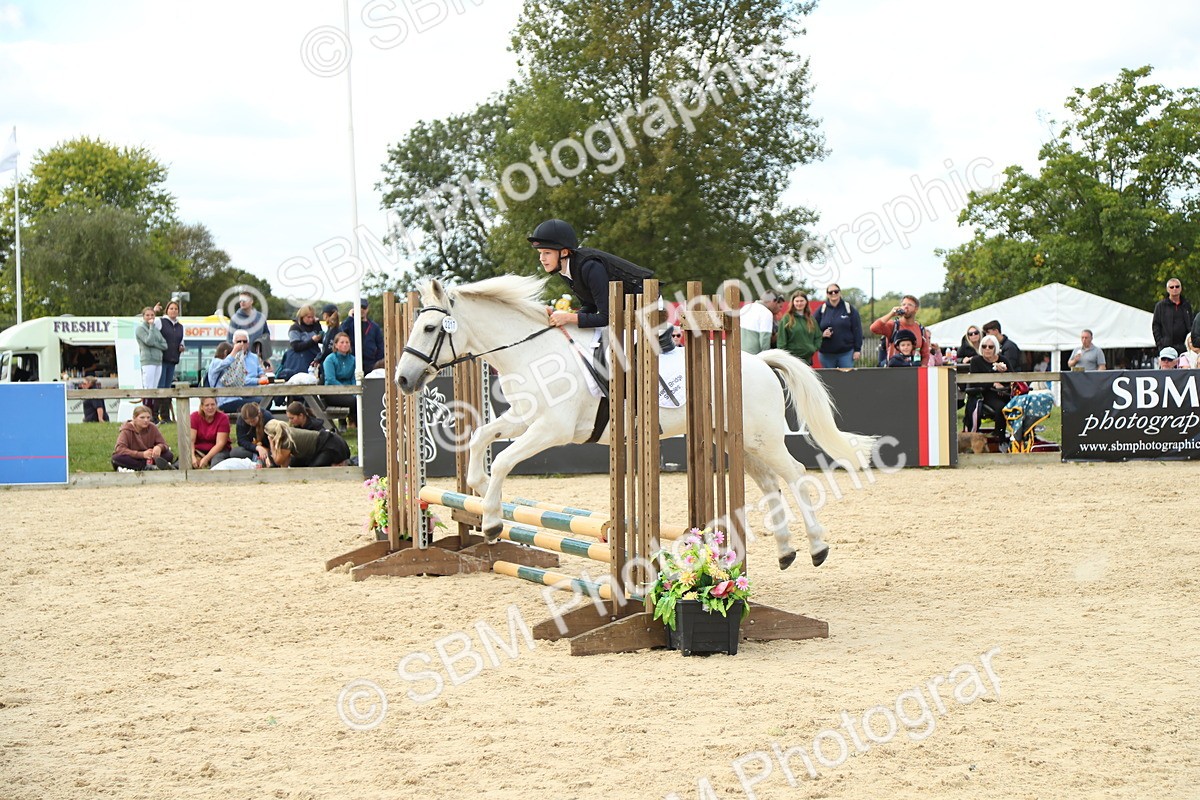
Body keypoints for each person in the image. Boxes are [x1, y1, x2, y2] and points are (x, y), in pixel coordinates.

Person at [964, 335, 1011, 435]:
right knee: (1001, 407)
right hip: (985, 393)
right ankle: (999, 436)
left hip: (1005, 393)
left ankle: (1019, 435)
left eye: (990, 347)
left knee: (1018, 405)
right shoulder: (976, 361)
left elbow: (1013, 378)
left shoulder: (1003, 360)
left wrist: (1004, 373)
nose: (987, 349)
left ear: (995, 348)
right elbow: (975, 381)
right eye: (984, 346)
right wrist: (993, 383)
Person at [209, 330, 264, 414]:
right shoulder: (216, 362)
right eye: (239, 342)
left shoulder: (254, 357)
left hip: (236, 398)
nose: (242, 344)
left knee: (260, 402)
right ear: (226, 353)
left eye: (244, 341)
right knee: (257, 404)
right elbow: (225, 363)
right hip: (225, 401)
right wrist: (235, 351)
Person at [870, 295, 930, 366]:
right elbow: (874, 328)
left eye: (909, 305)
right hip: (894, 369)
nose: (906, 307)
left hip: (914, 369)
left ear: (916, 309)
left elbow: (925, 354)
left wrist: (922, 368)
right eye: (903, 304)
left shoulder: (921, 329)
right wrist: (891, 314)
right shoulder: (894, 325)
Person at [111, 404, 176, 471]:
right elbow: (120, 449)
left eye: (148, 417)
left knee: (168, 455)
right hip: (133, 456)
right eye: (142, 418)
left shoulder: (152, 427)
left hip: (149, 456)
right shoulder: (126, 430)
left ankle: (149, 466)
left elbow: (164, 444)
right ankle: (145, 466)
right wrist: (141, 454)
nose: (146, 420)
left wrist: (159, 447)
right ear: (134, 418)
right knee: (117, 458)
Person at [264, 419, 350, 468]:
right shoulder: (287, 434)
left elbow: (278, 461)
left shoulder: (286, 440)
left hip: (332, 445)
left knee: (313, 471)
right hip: (330, 442)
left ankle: (340, 463)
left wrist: (271, 443)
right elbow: (285, 463)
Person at [813, 284, 862, 368]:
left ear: (840, 293)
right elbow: (813, 329)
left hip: (846, 353)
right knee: (829, 376)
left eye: (836, 291)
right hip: (826, 354)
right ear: (827, 294)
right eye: (830, 292)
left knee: (846, 376)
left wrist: (857, 350)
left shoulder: (849, 309)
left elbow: (857, 330)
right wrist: (822, 334)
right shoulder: (821, 310)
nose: (833, 293)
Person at [155, 299, 186, 423]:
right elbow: (148, 325)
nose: (173, 311)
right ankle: (154, 415)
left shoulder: (180, 327)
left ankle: (165, 416)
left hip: (173, 360)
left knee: (167, 388)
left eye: (176, 309)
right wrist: (154, 311)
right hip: (161, 359)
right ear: (167, 310)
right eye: (171, 308)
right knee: (160, 387)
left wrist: (182, 347)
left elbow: (181, 341)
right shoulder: (160, 322)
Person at [775, 290, 822, 364]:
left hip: (807, 360)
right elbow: (781, 341)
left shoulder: (811, 319)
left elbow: (818, 336)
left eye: (801, 301)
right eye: (797, 301)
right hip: (792, 361)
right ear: (793, 302)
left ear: (806, 302)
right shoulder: (786, 318)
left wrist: (813, 348)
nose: (799, 303)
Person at [279, 305, 324, 380]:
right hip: (300, 361)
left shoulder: (314, 326)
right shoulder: (295, 328)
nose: (311, 319)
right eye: (308, 317)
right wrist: (312, 341)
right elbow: (296, 346)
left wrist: (317, 325)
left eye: (312, 317)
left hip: (314, 358)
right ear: (302, 317)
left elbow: (322, 340)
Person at [339, 298, 385, 371]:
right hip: (352, 362)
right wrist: (350, 317)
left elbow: (380, 346)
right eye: (359, 307)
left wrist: (377, 362)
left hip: (370, 363)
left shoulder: (374, 326)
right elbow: (340, 332)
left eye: (364, 307)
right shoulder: (349, 324)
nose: (361, 310)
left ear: (367, 309)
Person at [322, 331, 357, 426]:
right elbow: (330, 379)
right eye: (342, 342)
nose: (345, 345)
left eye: (347, 342)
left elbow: (354, 378)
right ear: (336, 345)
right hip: (333, 392)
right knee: (353, 401)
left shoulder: (353, 359)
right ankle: (347, 422)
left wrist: (354, 391)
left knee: (359, 398)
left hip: (350, 391)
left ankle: (356, 425)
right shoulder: (330, 359)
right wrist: (345, 390)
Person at [136, 306, 168, 406]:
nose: (150, 317)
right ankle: (146, 408)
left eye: (152, 315)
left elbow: (164, 345)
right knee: (148, 387)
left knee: (155, 388)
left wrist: (155, 344)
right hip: (148, 360)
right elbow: (149, 341)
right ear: (143, 316)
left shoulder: (156, 329)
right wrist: (150, 328)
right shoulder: (140, 329)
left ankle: (153, 411)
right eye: (147, 315)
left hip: (158, 361)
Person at [227, 292, 272, 362]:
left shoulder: (260, 317)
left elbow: (266, 335)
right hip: (241, 359)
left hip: (258, 358)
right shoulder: (235, 319)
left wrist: (261, 344)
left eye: (245, 300)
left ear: (251, 301)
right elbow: (230, 340)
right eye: (240, 300)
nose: (242, 302)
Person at [1151, 278, 1192, 356]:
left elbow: (1190, 323)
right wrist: (1160, 344)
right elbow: (1156, 325)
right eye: (1171, 287)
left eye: (1177, 286)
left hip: (1184, 347)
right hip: (1166, 347)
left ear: (1181, 288)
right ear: (1167, 289)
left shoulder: (1186, 305)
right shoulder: (1160, 306)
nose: (1175, 289)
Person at [189, 396, 231, 469]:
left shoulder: (223, 418)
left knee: (216, 463)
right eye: (207, 405)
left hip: (218, 451)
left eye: (213, 404)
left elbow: (220, 443)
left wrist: (206, 458)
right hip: (198, 450)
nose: (210, 407)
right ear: (202, 407)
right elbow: (191, 441)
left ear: (216, 405)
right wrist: (192, 456)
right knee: (185, 460)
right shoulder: (194, 417)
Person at [738, 290, 785, 355]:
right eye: (776, 303)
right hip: (754, 354)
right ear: (773, 301)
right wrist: (767, 357)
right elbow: (764, 339)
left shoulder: (745, 308)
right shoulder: (766, 313)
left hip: (741, 352)